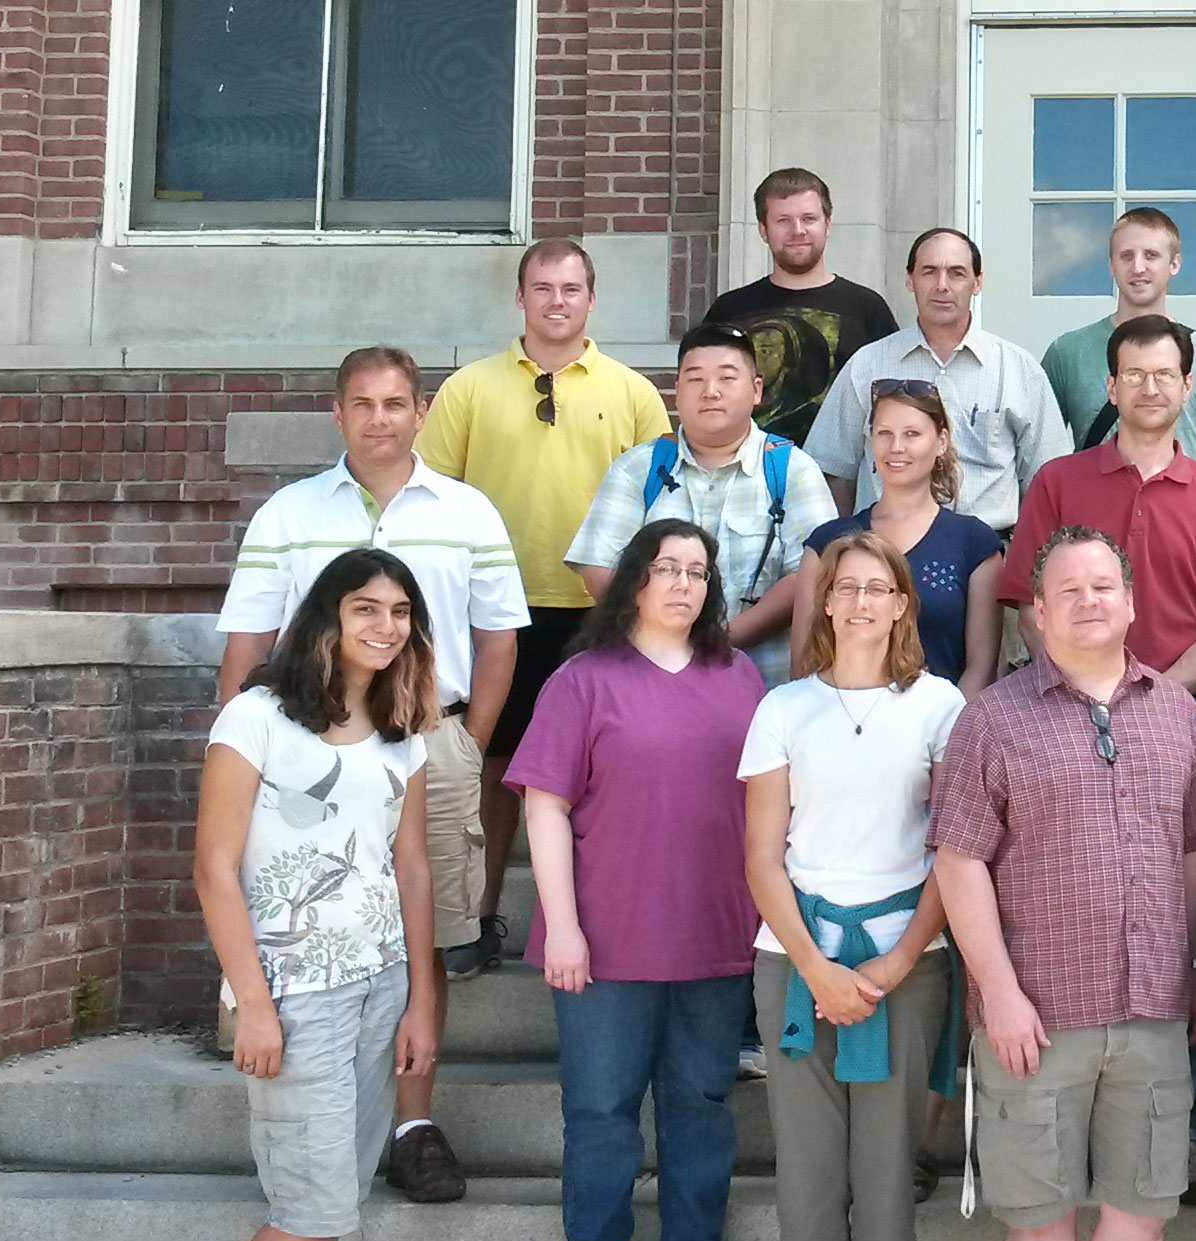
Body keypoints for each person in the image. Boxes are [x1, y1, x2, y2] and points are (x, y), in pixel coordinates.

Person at [930, 526, 1196, 1241]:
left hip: (1148, 1008)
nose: (1091, 601)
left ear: (1132, 604)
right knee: (1040, 1218)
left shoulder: (1176, 710)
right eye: (1070, 588)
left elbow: (1195, 845)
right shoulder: (993, 720)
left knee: (1139, 1214)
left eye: (1106, 585)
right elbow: (959, 859)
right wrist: (1000, 991)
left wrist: (1183, 967)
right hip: (1035, 1015)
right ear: (1038, 612)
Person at [217, 346, 529, 1206]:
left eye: (396, 403)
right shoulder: (288, 513)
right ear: (338, 413)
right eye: (363, 403)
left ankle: (411, 1126)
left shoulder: (467, 512)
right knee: (304, 910)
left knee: (423, 928)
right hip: (303, 748)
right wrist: (235, 752)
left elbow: (501, 637)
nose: (380, 418)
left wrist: (466, 739)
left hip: (429, 737)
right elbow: (246, 644)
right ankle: (311, 1116)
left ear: (421, 412)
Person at [182, 548, 442, 1241]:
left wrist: (419, 997)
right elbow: (214, 868)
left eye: (400, 611)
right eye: (364, 608)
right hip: (291, 992)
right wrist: (251, 1001)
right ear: (324, 617)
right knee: (311, 1200)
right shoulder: (255, 719)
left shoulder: (401, 731)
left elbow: (408, 868)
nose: (384, 626)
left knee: (337, 1197)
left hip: (376, 983)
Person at [742, 530, 969, 1241]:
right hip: (794, 960)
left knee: (882, 1173)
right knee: (807, 1172)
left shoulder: (941, 708)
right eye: (849, 587)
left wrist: (892, 962)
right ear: (824, 603)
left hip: (903, 964)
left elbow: (955, 851)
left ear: (902, 604)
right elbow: (761, 857)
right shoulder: (783, 709)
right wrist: (817, 968)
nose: (866, 602)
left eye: (883, 588)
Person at [505, 520, 766, 1241]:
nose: (684, 584)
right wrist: (564, 927)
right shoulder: (582, 681)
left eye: (698, 570)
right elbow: (543, 805)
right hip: (606, 940)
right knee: (601, 1112)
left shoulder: (742, 678)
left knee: (700, 1109)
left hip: (714, 935)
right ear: (633, 581)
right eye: (666, 569)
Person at [417, 237, 673, 980]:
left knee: (605, 775)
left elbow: (660, 508)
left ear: (591, 300)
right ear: (520, 299)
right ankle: (475, 917)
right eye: (542, 288)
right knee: (489, 767)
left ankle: (608, 924)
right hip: (495, 616)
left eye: (570, 288)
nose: (556, 301)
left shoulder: (632, 393)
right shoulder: (470, 389)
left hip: (600, 614)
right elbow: (431, 498)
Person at [565, 323, 838, 686]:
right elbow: (599, 568)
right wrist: (665, 641)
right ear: (676, 391)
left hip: (765, 689)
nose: (711, 392)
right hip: (650, 681)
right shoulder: (638, 469)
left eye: (727, 378)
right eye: (695, 380)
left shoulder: (793, 472)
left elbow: (813, 575)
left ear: (757, 390)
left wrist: (720, 641)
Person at [1001, 315, 1196, 690]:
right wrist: (1081, 689)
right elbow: (1029, 606)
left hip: (1180, 705)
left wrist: (1155, 701)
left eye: (1165, 375)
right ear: (1111, 388)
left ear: (1187, 386)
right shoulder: (1056, 483)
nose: (1150, 388)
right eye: (1134, 375)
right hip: (1066, 703)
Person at [808, 228, 1071, 532]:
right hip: (884, 557)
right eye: (929, 272)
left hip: (990, 557)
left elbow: (1049, 479)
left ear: (978, 282)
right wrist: (846, 545)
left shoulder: (1018, 371)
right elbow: (832, 471)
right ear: (910, 280)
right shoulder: (867, 366)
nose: (942, 286)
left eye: (956, 273)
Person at [795, 382, 1009, 694]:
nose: (896, 446)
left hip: (942, 732)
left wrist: (947, 734)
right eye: (884, 434)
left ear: (941, 441)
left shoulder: (975, 543)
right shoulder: (827, 542)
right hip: (841, 726)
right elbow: (805, 663)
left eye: (912, 434)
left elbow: (982, 665)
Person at [703, 167, 901, 446]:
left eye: (808, 219)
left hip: (843, 482)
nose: (797, 230)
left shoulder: (867, 309)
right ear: (763, 229)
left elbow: (897, 403)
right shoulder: (729, 310)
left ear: (827, 224)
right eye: (783, 220)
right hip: (748, 478)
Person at [1039, 206, 1196, 468]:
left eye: (1151, 255)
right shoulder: (1067, 352)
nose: (1138, 267)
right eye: (1126, 256)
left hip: (1183, 507)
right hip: (1093, 505)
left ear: (1174, 264)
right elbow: (1041, 452)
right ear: (1112, 265)